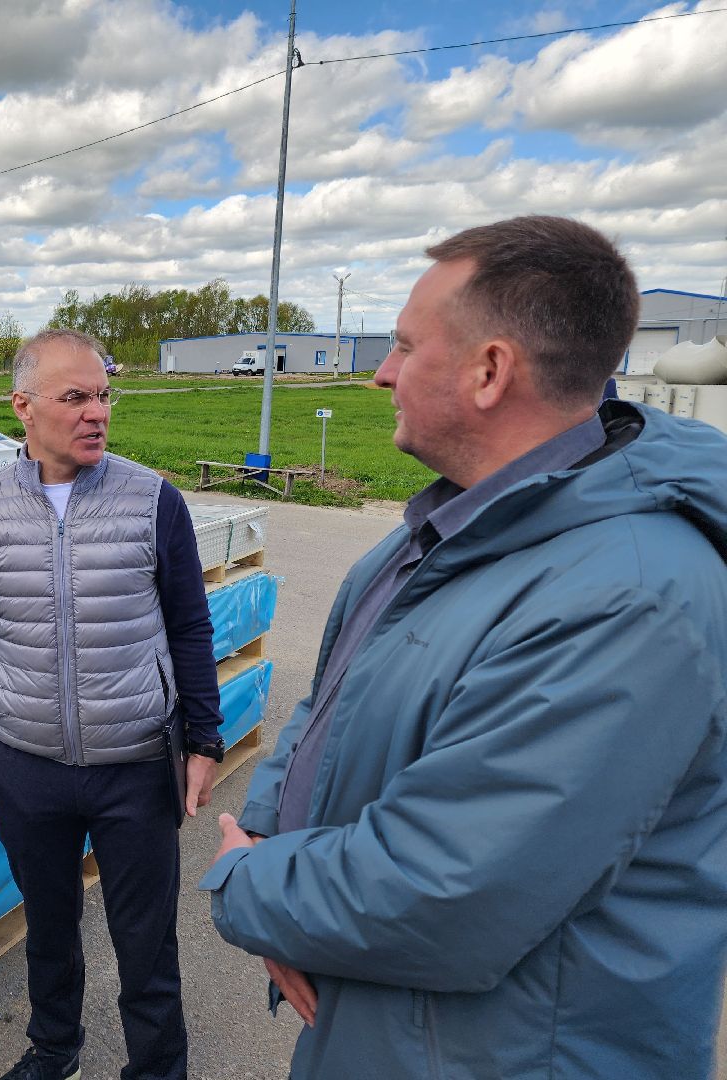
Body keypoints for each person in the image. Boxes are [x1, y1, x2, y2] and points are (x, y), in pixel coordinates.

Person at [202, 216, 727, 1079]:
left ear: (490, 372)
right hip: (390, 1024)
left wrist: (245, 885)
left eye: (406, 346)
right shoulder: (440, 532)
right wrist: (264, 834)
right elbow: (324, 710)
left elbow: (444, 896)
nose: (381, 373)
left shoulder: (628, 597)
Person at [0, 328, 225, 1080]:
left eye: (103, 395)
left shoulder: (152, 501)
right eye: (76, 397)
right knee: (49, 927)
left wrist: (205, 739)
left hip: (135, 764)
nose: (97, 412)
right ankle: (53, 1048)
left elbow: (190, 624)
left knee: (146, 939)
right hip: (25, 764)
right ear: (23, 408)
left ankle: (157, 1068)